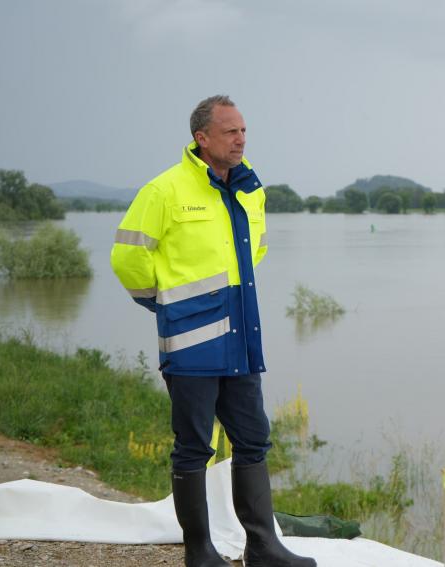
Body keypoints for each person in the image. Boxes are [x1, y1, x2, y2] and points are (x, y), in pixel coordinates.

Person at [110, 95, 315, 567]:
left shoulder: (251, 188)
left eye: (243, 131)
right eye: (230, 131)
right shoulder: (164, 190)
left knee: (253, 438)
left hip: (242, 334)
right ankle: (199, 552)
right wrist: (163, 305)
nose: (241, 139)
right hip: (191, 342)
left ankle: (263, 547)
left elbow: (253, 251)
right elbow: (128, 256)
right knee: (194, 446)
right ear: (201, 138)